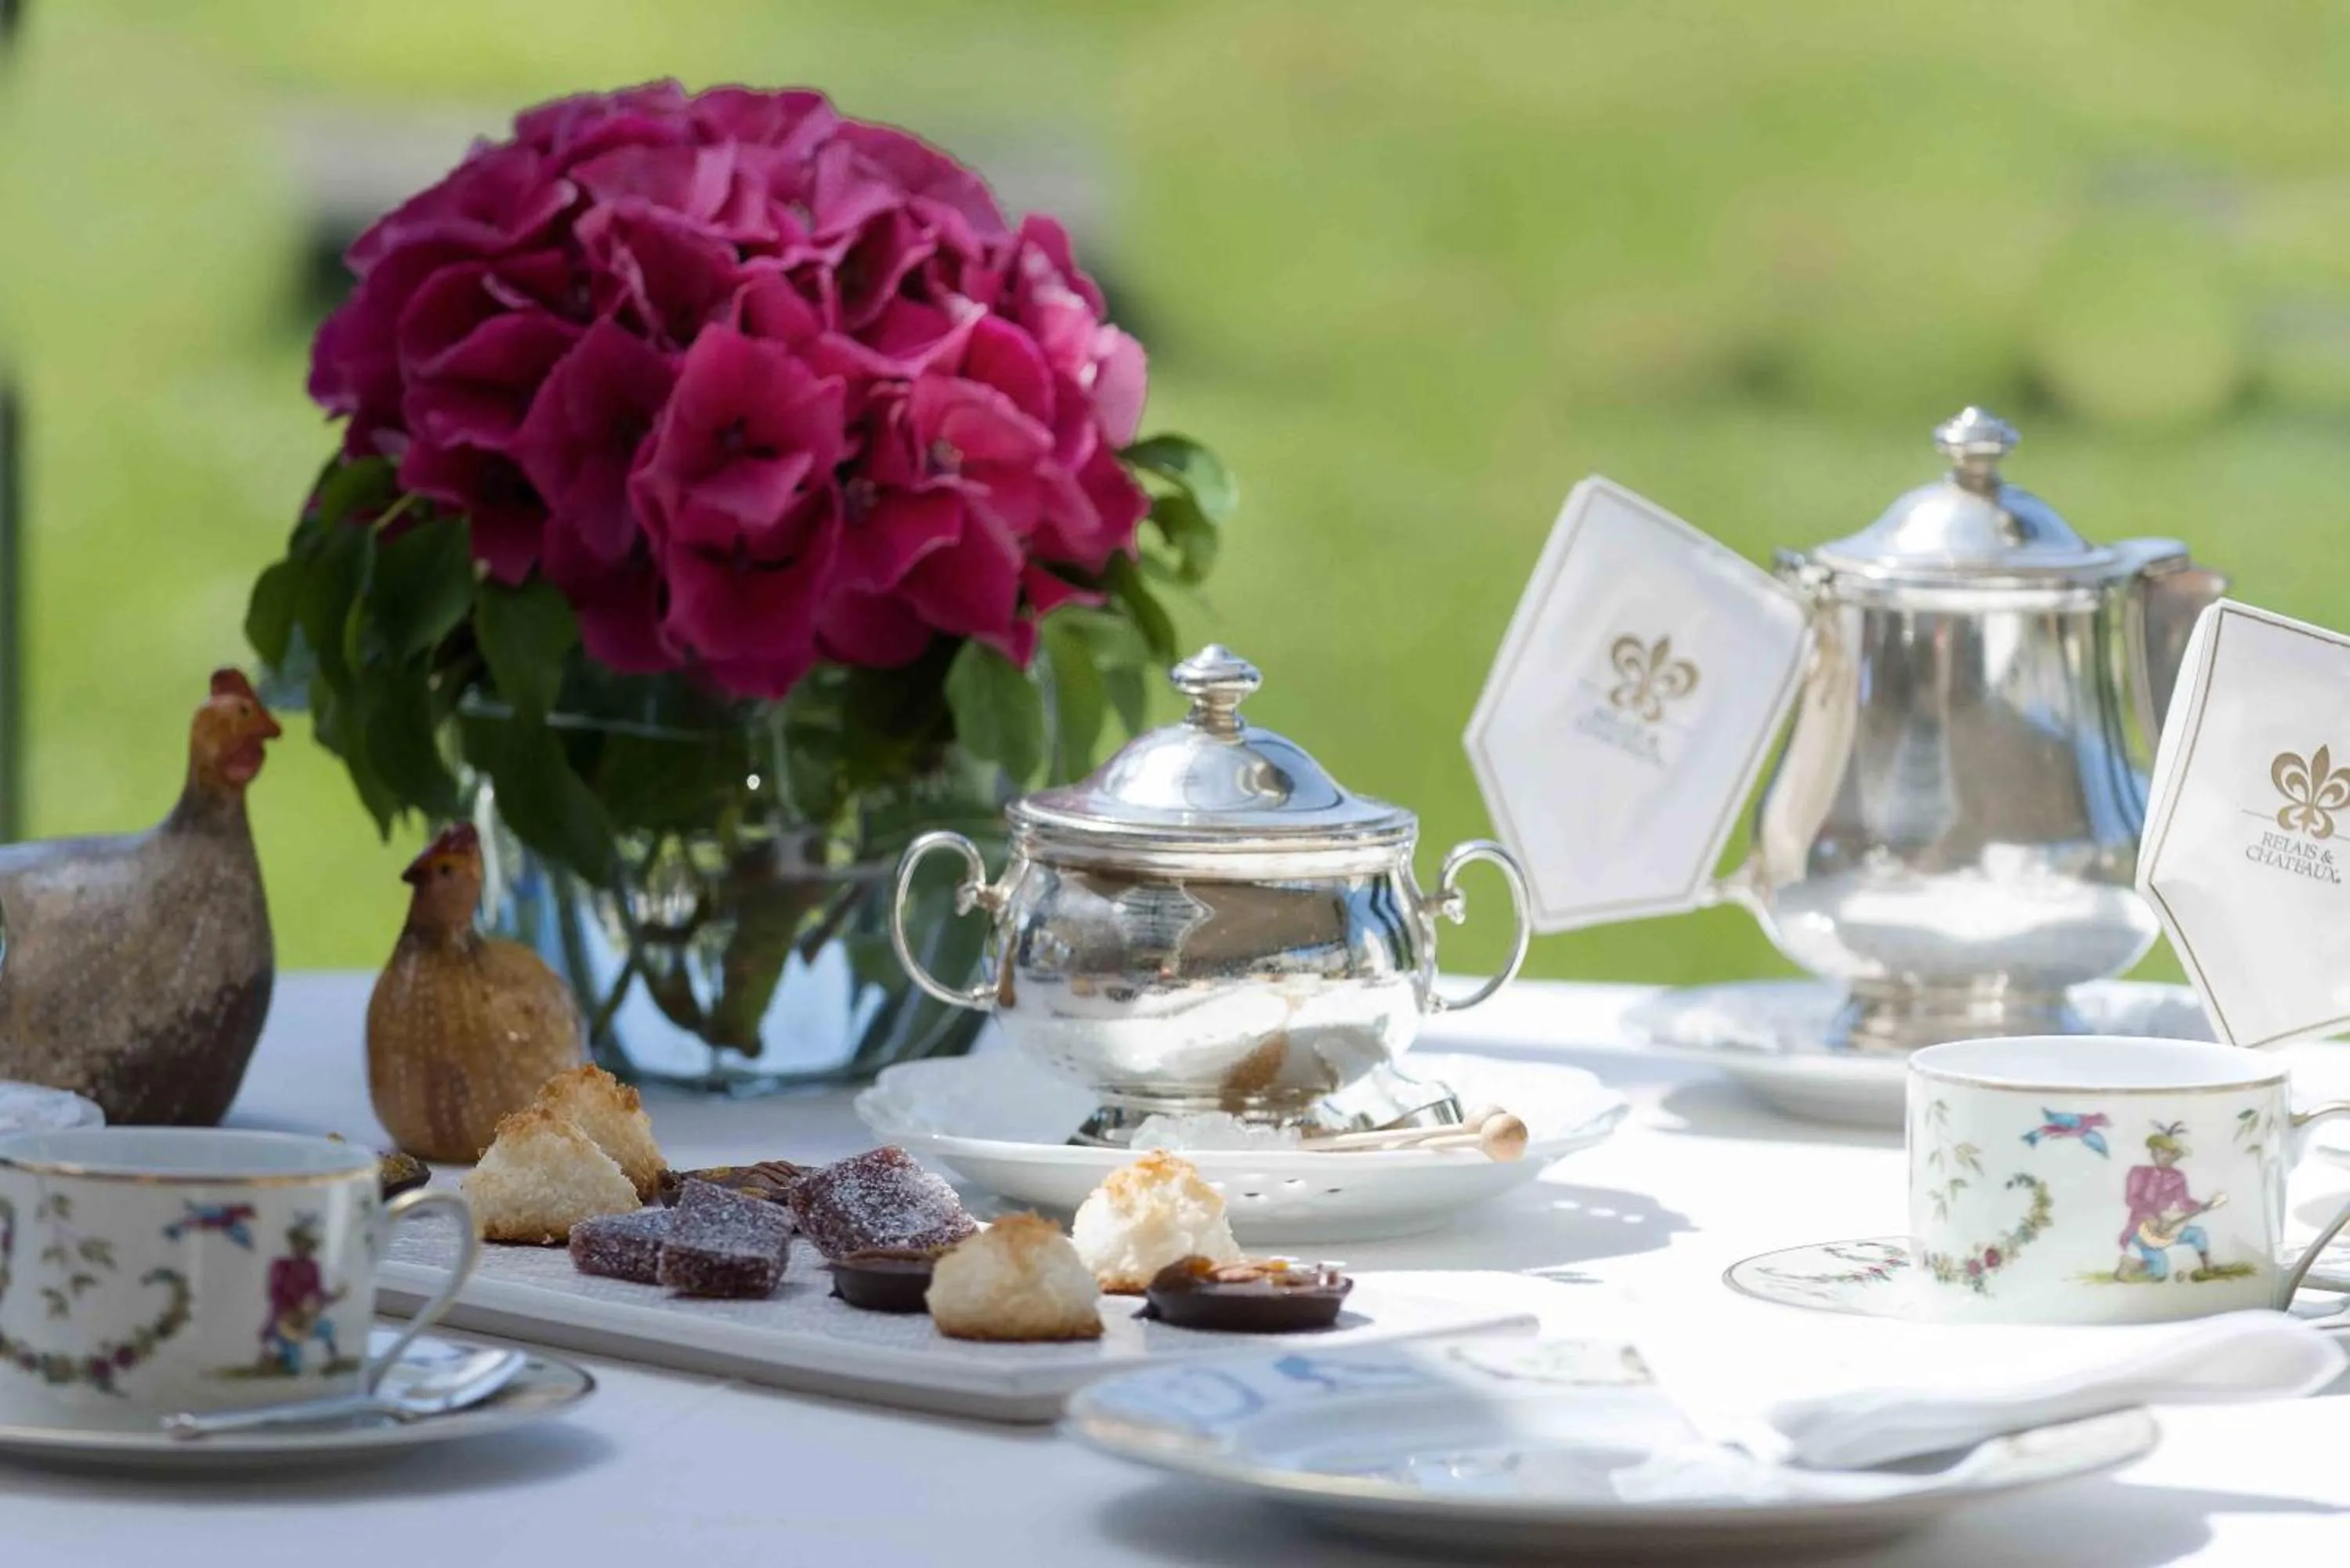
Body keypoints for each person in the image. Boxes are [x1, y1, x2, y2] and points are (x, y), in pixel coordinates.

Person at [2117, 1125, 2223, 1282]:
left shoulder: (2177, 1176)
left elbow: (2184, 1203)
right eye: (2161, 1152)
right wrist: (2154, 1217)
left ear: (2176, 1156)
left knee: (2198, 1233)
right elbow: (2132, 1199)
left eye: (2170, 1153)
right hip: (2141, 1229)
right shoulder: (2138, 1172)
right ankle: (2132, 1264)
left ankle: (2208, 1264)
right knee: (2160, 1272)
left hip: (2166, 1228)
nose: (2165, 1157)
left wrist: (2203, 1206)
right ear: (2153, 1153)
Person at [258, 1216, 345, 1373]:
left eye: (307, 1245)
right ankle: (278, 1360)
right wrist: (297, 1307)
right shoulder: (280, 1265)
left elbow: (317, 1292)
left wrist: (333, 1297)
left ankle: (335, 1361)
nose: (302, 1248)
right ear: (293, 1244)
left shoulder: (313, 1267)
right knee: (295, 1367)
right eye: (299, 1243)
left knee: (328, 1328)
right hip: (284, 1320)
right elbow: (274, 1294)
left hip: (305, 1319)